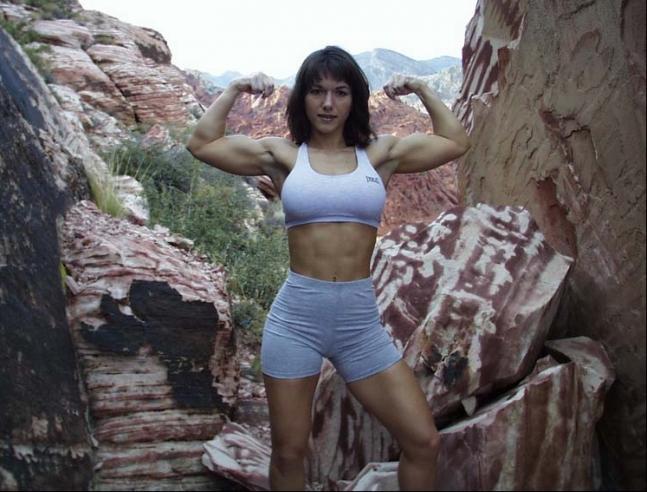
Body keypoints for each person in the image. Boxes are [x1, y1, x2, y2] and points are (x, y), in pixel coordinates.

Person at [186, 45, 470, 491]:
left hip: (359, 325)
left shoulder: (379, 155)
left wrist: (420, 88)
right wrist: (236, 88)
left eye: (340, 92)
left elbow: (454, 141)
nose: (328, 103)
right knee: (289, 452)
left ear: (354, 99)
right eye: (317, 91)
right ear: (302, 98)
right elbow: (202, 143)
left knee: (423, 441)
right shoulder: (282, 156)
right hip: (296, 320)